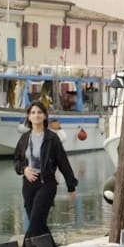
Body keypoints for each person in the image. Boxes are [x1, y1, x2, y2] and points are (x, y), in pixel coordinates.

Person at [12, 102, 78, 239]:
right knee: (38, 225)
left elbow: (63, 162)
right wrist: (24, 170)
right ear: (29, 117)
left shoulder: (52, 138)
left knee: (34, 224)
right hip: (28, 185)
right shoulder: (24, 139)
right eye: (33, 112)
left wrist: (71, 186)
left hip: (46, 184)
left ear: (44, 116)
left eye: (39, 112)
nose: (36, 115)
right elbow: (16, 160)